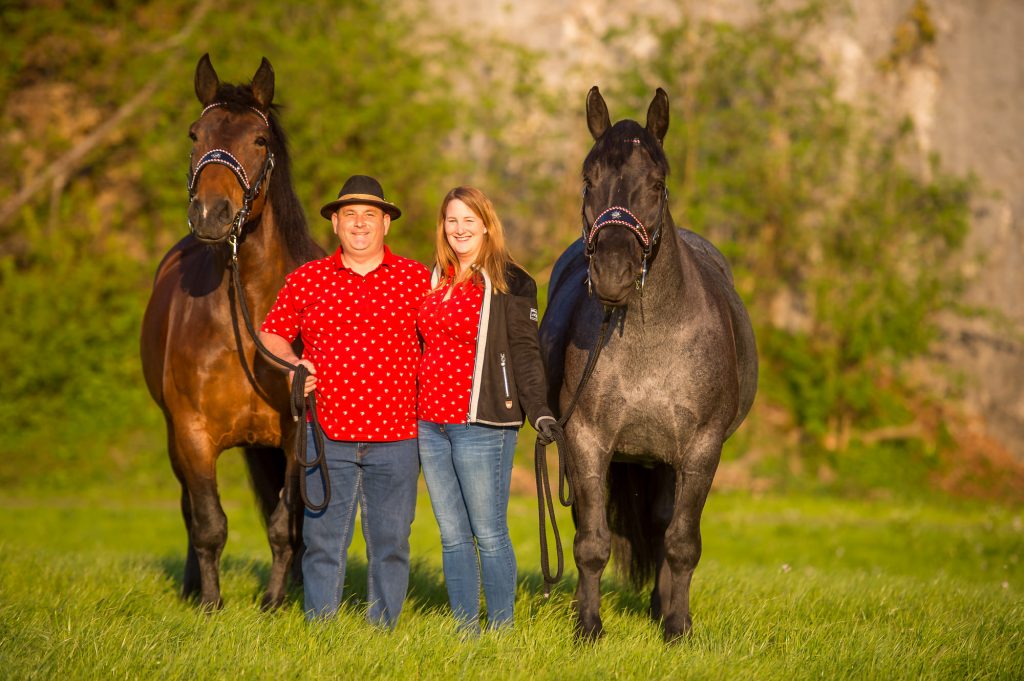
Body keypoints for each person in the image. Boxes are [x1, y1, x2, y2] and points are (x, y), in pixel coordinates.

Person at [259, 175, 429, 628]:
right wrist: (294, 363)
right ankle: (321, 631)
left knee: (391, 542)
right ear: (335, 223)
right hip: (325, 434)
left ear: (385, 224)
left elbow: (450, 336)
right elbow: (271, 332)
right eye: (349, 214)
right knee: (322, 541)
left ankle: (383, 630)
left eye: (370, 215)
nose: (359, 223)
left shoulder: (417, 279)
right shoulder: (307, 279)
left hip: (398, 437)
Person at [416, 185, 562, 632]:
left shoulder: (513, 282)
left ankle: (500, 630)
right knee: (452, 534)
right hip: (431, 424)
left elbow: (524, 350)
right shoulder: (433, 277)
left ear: (485, 225)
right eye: (451, 220)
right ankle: (466, 629)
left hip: (484, 423)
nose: (459, 229)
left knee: (489, 533)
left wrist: (538, 409)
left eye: (468, 220)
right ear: (443, 226)